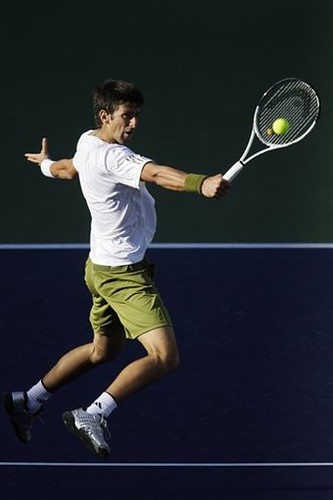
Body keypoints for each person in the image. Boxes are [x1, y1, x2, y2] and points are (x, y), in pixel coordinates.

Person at [3, 79, 230, 458]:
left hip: (98, 269)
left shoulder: (88, 142)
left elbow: (68, 169)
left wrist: (44, 165)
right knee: (164, 356)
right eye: (127, 116)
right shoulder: (117, 158)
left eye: (137, 115)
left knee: (102, 351)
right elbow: (156, 174)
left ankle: (28, 399)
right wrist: (200, 183)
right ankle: (94, 413)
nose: (134, 123)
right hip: (125, 276)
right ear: (105, 115)